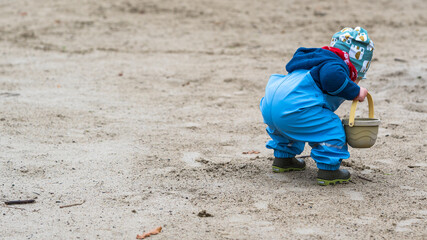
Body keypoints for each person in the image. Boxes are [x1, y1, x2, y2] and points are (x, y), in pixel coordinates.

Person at [259, 27, 374, 186]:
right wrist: (355, 91)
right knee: (331, 128)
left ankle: (283, 159)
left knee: (292, 126)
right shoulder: (336, 64)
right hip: (294, 107)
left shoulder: (314, 61)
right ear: (353, 68)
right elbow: (332, 78)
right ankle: (329, 170)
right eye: (357, 78)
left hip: (271, 103)